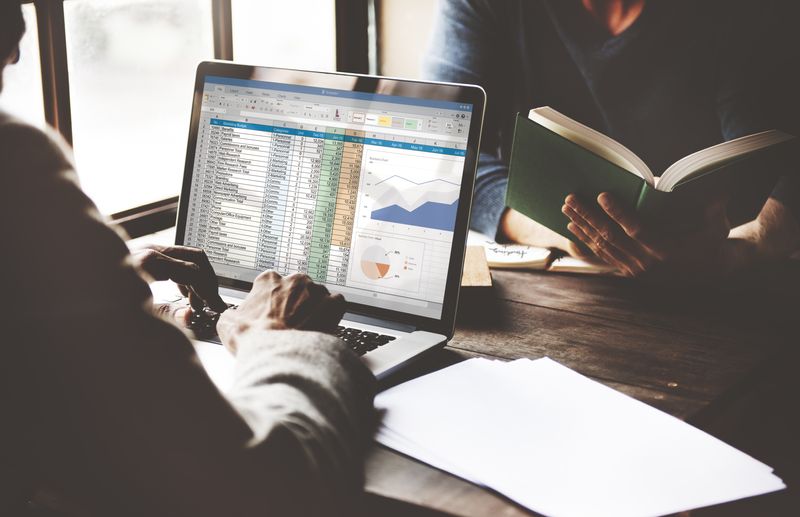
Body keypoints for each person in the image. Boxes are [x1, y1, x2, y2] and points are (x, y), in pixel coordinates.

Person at [0, 3, 375, 516]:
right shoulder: (13, 165)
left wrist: (89, 285)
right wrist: (280, 338)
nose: (19, 48)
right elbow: (261, 491)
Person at [426, 0, 800, 279]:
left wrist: (740, 251)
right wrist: (563, 232)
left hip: (727, 289)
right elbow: (441, 150)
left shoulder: (742, 14)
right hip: (554, 281)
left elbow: (777, 156)